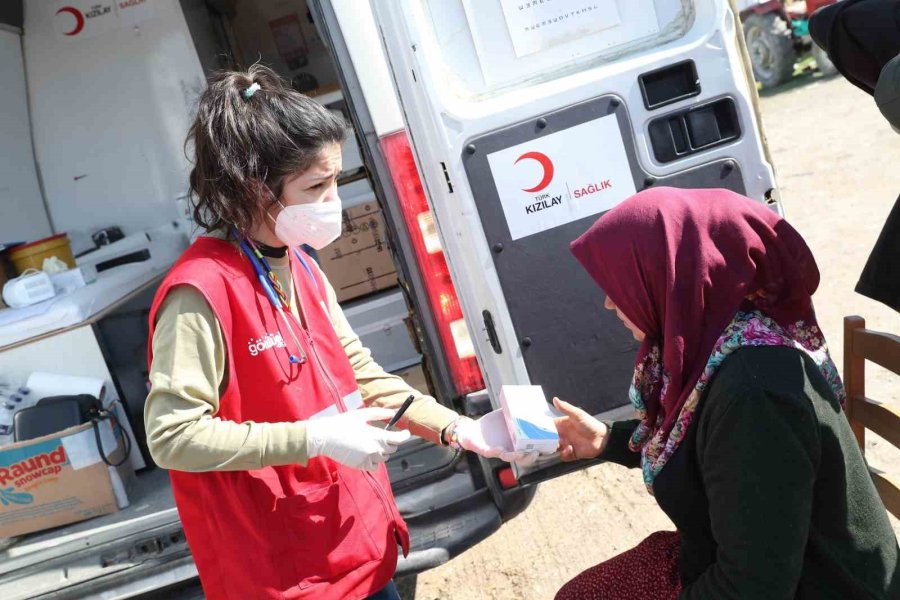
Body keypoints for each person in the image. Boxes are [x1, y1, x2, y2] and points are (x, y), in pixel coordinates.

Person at [144, 65, 522, 600]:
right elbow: (172, 435)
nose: (332, 201)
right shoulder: (199, 293)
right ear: (256, 190)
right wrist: (314, 439)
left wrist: (460, 430)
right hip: (285, 572)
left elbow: (360, 374)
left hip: (354, 545)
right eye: (316, 186)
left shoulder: (299, 265)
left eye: (336, 182)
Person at [551, 187, 899, 599]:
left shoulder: (756, 394)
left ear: (669, 278)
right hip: (736, 564)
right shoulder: (717, 342)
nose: (610, 303)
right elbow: (697, 436)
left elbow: (753, 588)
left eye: (622, 283)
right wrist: (606, 441)